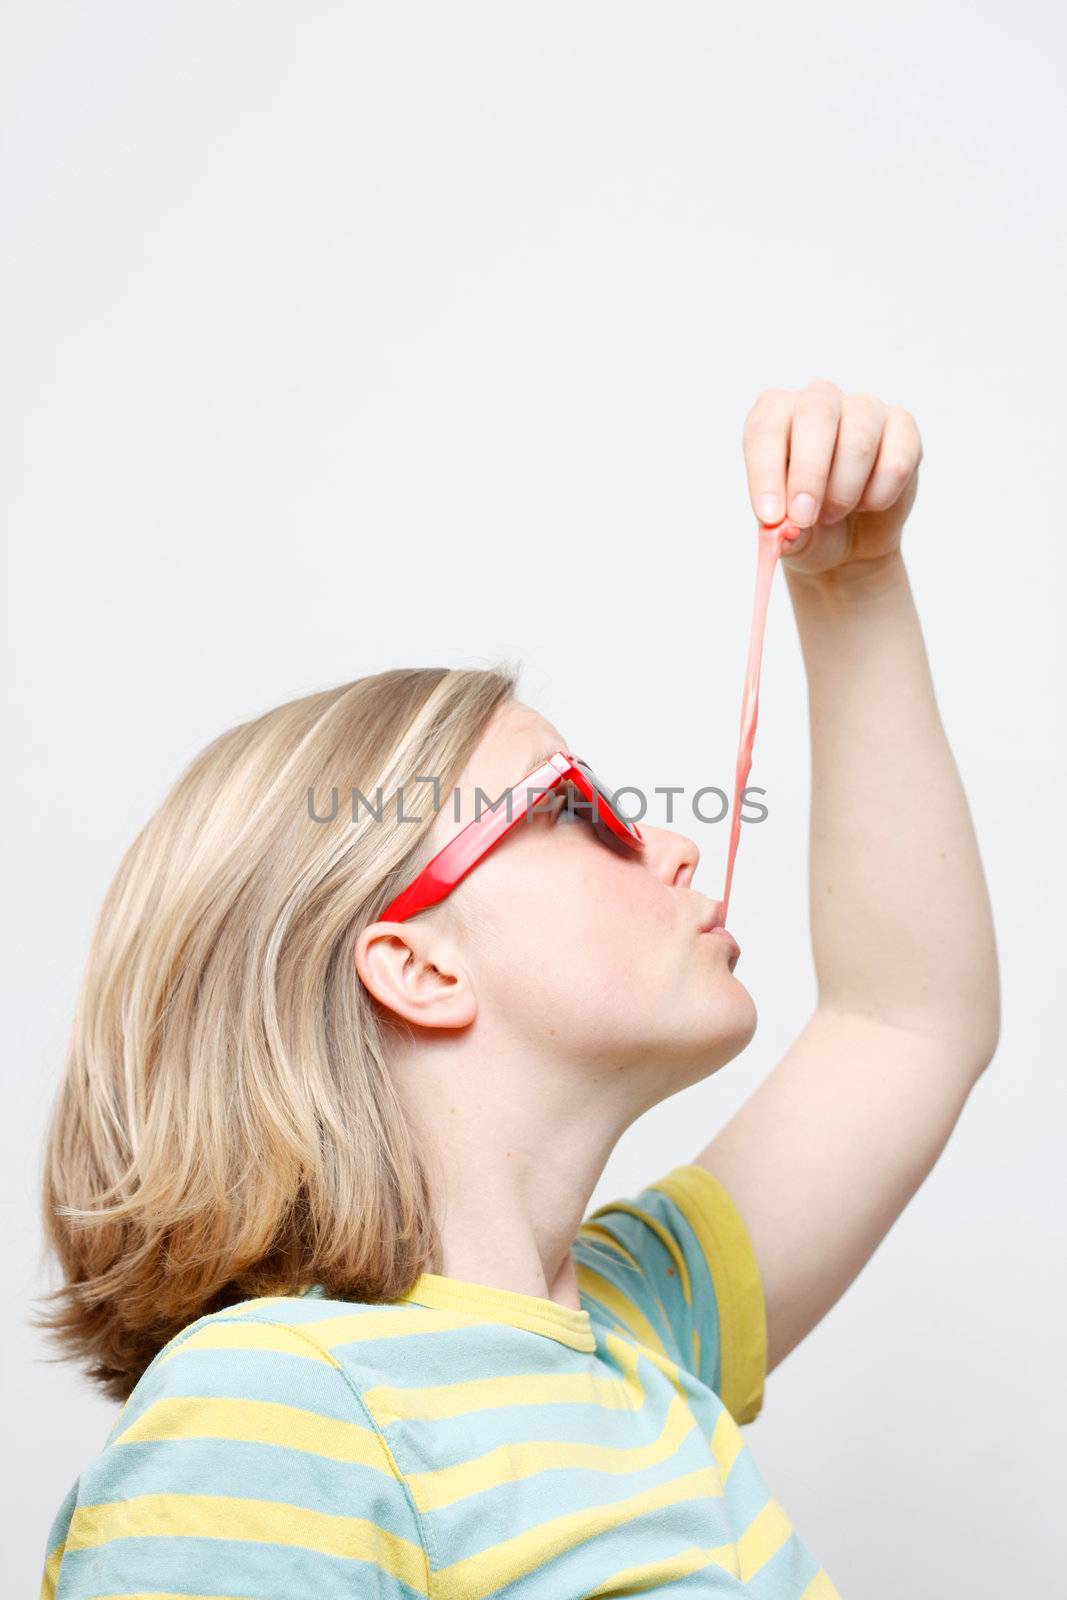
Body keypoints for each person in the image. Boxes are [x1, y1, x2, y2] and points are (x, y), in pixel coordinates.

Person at [35, 379, 999, 1598]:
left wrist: (851, 587)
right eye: (568, 809)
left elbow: (907, 1018)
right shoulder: (275, 1406)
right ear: (418, 963)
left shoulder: (638, 1334)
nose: (673, 844)